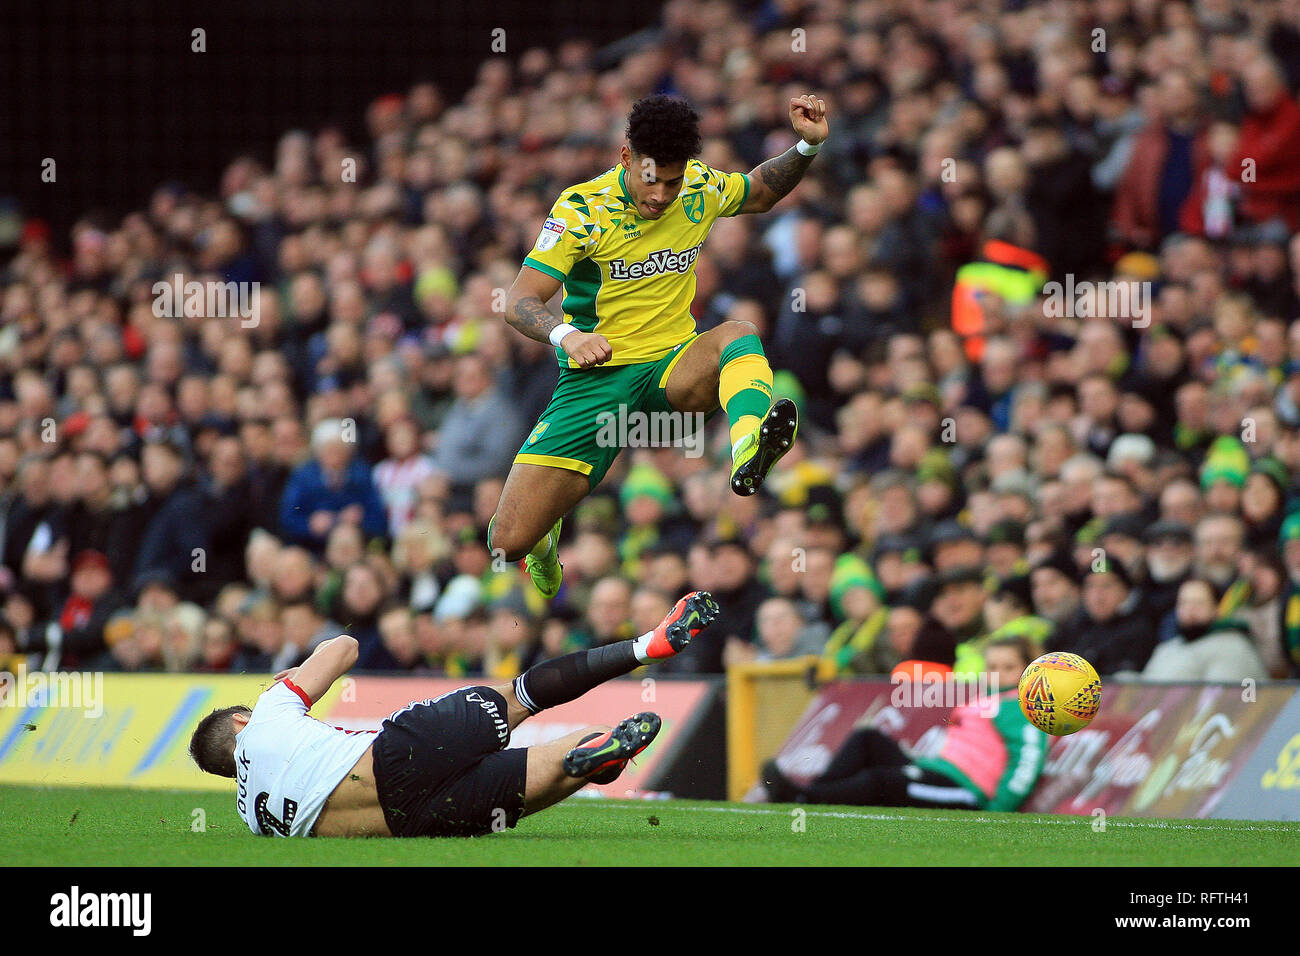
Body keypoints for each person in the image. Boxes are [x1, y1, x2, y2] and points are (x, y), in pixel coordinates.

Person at [488, 93, 830, 599]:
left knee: (738, 333)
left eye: (673, 181)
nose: (663, 195)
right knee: (507, 541)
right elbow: (518, 301)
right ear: (627, 157)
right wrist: (568, 334)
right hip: (595, 383)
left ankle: (747, 448)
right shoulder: (582, 209)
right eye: (653, 180)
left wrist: (805, 146)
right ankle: (545, 541)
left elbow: (759, 191)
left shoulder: (698, 187)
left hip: (672, 368)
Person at [188, 590, 718, 838]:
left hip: (410, 821)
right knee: (518, 699)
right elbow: (345, 647)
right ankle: (648, 646)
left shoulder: (253, 820)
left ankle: (589, 752)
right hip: (395, 753)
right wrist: (296, 671)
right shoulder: (266, 712)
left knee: (542, 778)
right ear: (240, 722)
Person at [761, 636, 1047, 812]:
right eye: (992, 667)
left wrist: (995, 812)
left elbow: (1026, 762)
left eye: (1009, 667)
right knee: (868, 739)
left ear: (1029, 669)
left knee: (881, 781)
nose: (998, 674)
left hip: (965, 789)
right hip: (938, 770)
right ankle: (815, 792)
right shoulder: (986, 699)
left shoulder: (1023, 706)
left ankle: (804, 799)